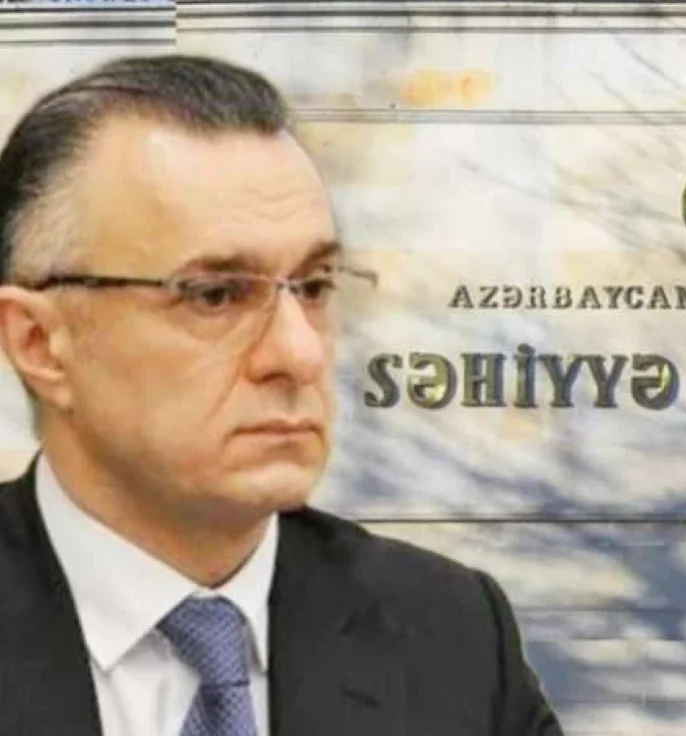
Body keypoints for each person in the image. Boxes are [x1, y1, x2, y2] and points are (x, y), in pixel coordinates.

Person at [0, 53, 564, 736]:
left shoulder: (451, 635)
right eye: (215, 295)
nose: (299, 354)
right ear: (40, 342)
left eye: (315, 287)